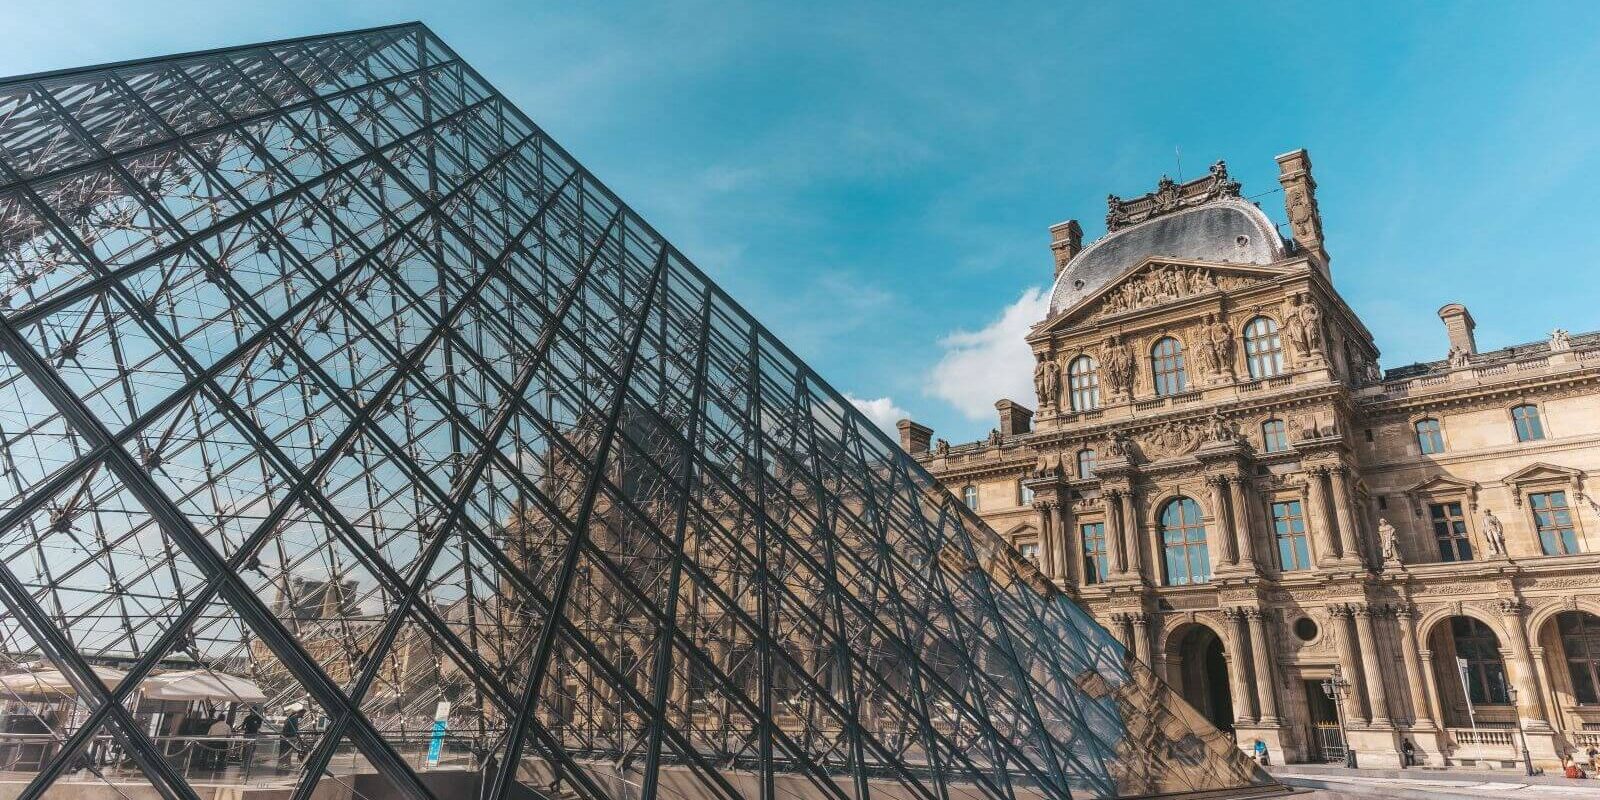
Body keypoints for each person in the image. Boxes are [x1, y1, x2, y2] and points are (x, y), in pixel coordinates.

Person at [278, 708, 306, 772]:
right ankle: (284, 764)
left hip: (286, 737)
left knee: (286, 751)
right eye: (303, 713)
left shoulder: (292, 718)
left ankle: (285, 763)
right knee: (286, 751)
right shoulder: (293, 719)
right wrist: (298, 738)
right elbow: (295, 731)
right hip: (288, 738)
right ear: (300, 713)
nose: (303, 715)